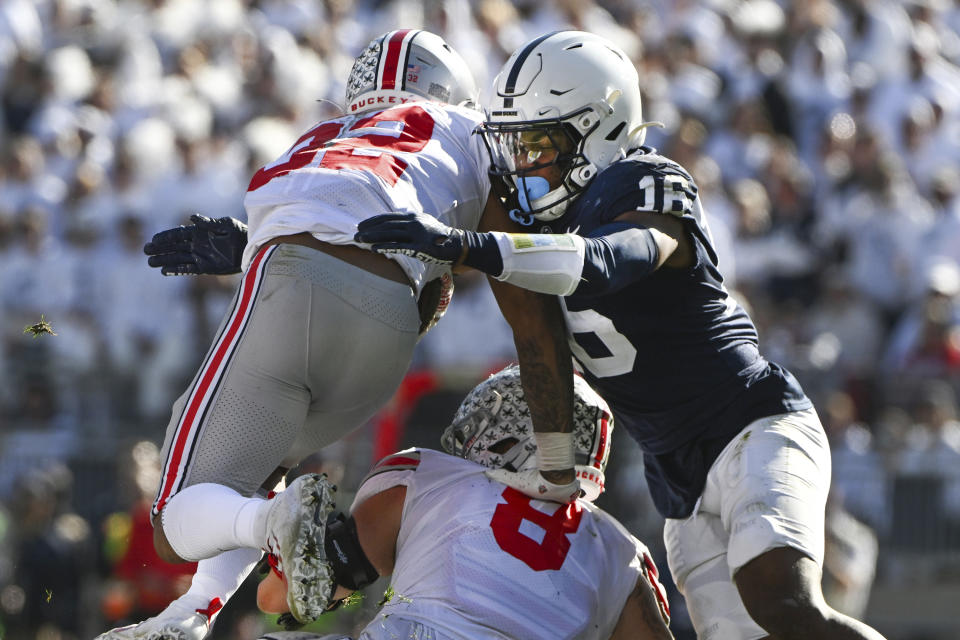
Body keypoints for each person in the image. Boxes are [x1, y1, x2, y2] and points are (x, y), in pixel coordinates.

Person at [354, 31, 889, 640]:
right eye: (513, 147)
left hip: (750, 426)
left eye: (538, 145)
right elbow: (539, 341)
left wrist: (469, 245)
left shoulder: (642, 180)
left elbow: (609, 259)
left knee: (786, 606)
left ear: (598, 129)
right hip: (675, 478)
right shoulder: (534, 221)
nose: (521, 165)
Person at [98, 30, 577, 640]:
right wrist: (559, 470)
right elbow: (533, 322)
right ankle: (193, 614)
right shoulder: (475, 140)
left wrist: (251, 243)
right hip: (389, 337)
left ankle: (271, 522)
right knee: (248, 483)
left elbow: (325, 211)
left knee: (175, 521)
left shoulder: (321, 136)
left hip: (292, 289)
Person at [255, 366, 673, 640]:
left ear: (513, 433)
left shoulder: (430, 474)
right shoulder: (622, 550)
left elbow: (280, 600)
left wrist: (270, 533)